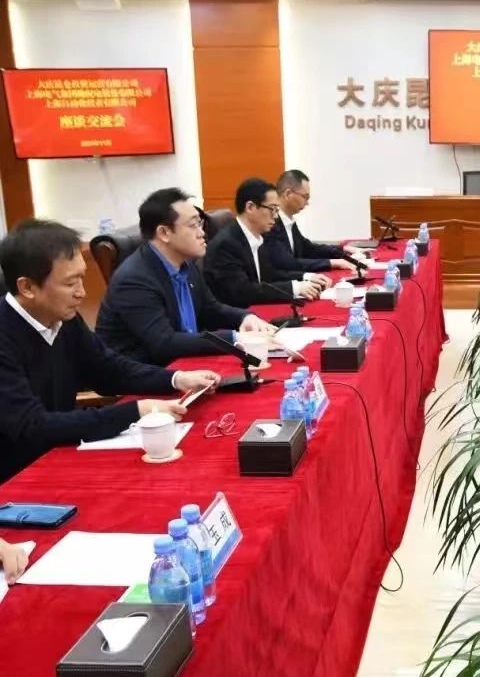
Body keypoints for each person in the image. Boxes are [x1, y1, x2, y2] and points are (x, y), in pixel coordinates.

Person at [0, 220, 220, 482]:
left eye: (81, 278)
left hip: (60, 454)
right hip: (16, 478)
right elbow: (31, 426)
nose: (82, 293)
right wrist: (136, 411)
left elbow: (108, 370)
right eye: (70, 284)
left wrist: (175, 379)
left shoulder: (63, 318)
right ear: (27, 287)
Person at [96, 188, 278, 366]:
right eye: (193, 226)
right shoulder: (134, 280)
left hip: (186, 365)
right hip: (149, 374)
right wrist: (235, 338)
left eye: (200, 224)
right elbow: (164, 343)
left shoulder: (187, 265)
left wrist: (244, 317)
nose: (202, 233)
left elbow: (211, 309)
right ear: (164, 233)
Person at [202, 178, 326, 307]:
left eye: (277, 210)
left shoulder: (257, 237)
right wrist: (295, 288)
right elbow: (243, 291)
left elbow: (270, 275)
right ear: (250, 207)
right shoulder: (226, 245)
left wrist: (306, 277)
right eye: (272, 209)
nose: (276, 216)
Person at [263, 170, 362, 275]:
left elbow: (308, 248)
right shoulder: (270, 224)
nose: (307, 203)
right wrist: (332, 263)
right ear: (288, 194)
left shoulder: (288, 221)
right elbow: (287, 263)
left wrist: (343, 250)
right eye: (305, 197)